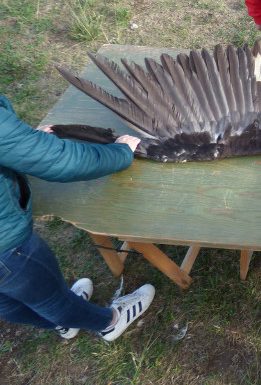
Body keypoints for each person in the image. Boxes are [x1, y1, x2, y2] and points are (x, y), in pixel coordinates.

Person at [0, 94, 155, 342]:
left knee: (6, 301)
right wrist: (122, 151)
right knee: (50, 298)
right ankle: (109, 323)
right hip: (5, 246)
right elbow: (62, 161)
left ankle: (60, 324)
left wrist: (23, 144)